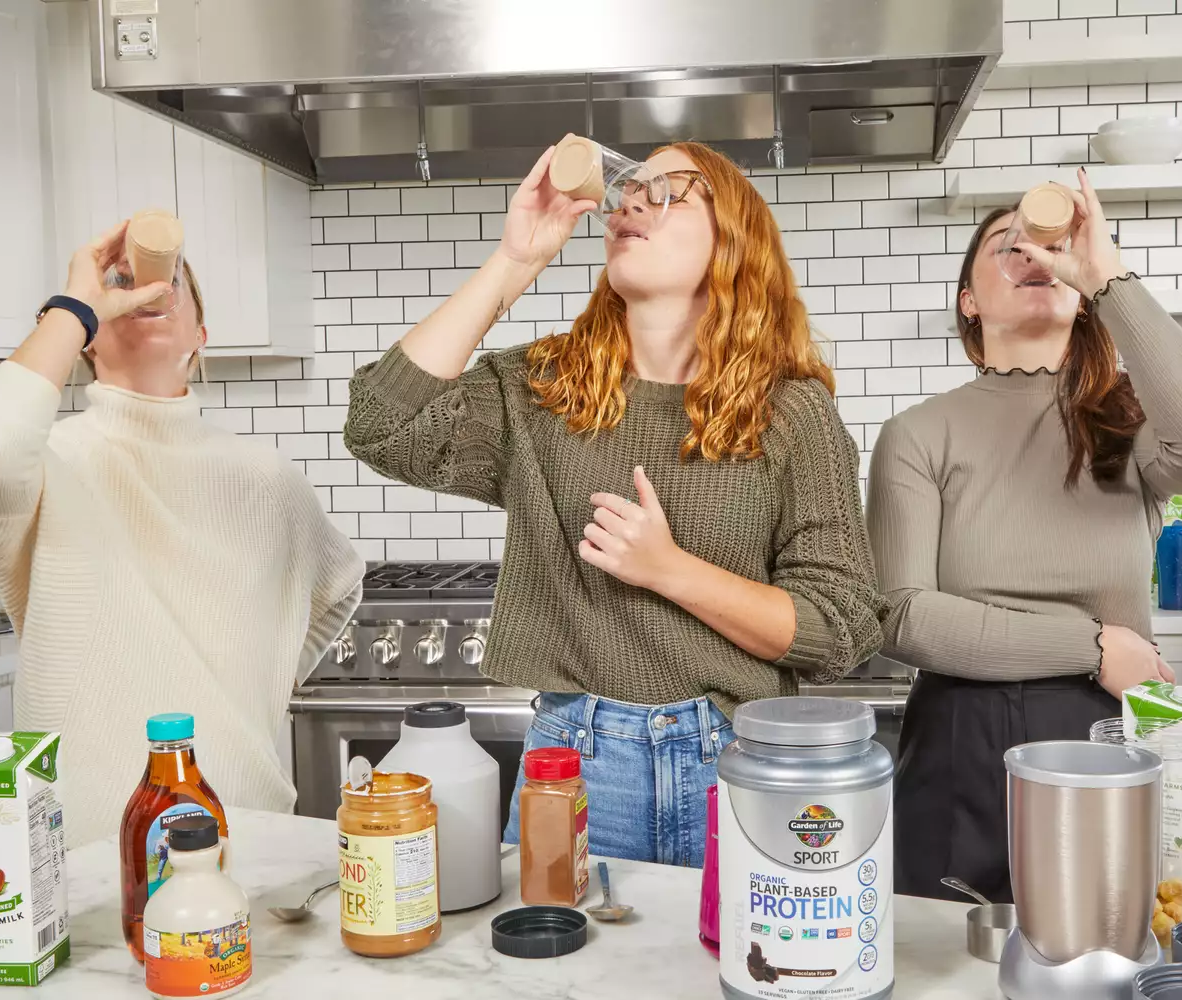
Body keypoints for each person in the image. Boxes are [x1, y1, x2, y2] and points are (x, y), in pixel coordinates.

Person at [345, 140, 885, 868]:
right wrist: (515, 260)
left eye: (667, 191)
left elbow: (841, 627)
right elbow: (381, 425)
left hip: (736, 761)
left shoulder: (790, 412)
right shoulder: (544, 391)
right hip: (576, 765)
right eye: (629, 189)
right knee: (557, 946)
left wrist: (669, 570)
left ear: (733, 237)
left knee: (734, 944)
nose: (630, 201)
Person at [867, 169, 1182, 903]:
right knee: (945, 954)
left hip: (1106, 732)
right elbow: (902, 616)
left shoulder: (1131, 423)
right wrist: (1093, 645)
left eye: (1045, 248)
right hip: (958, 742)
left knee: (1101, 940)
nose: (1030, 255)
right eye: (1005, 247)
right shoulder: (917, 433)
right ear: (969, 301)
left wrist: (1108, 279)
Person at [0, 221, 364, 847]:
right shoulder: (47, 466)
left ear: (199, 336)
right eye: (120, 287)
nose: (143, 292)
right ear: (87, 338)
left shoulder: (267, 478)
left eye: (170, 284)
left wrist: (250, 691)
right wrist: (75, 305)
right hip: (86, 854)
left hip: (246, 833)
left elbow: (338, 588)